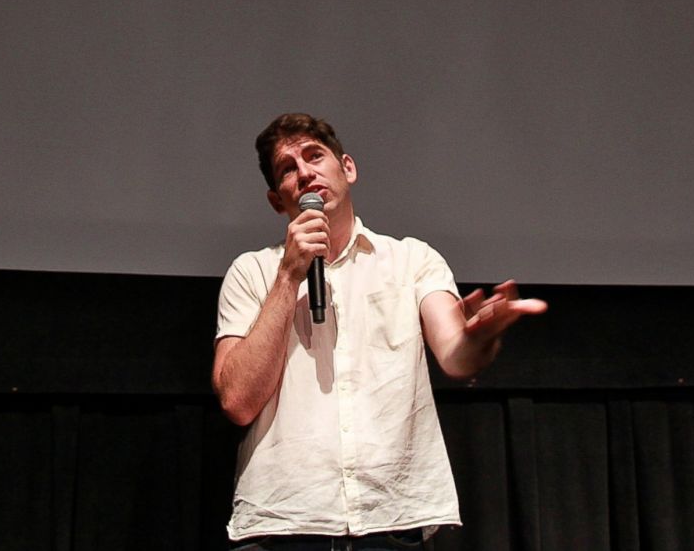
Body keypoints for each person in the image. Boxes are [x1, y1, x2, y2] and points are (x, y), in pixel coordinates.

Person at [213, 113, 547, 550]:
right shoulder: (252, 272)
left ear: (347, 168)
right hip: (285, 524)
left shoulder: (412, 261)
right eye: (288, 168)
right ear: (278, 200)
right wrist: (289, 277)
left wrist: (480, 336)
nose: (305, 172)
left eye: (315, 156)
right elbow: (237, 402)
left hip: (392, 522)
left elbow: (455, 354)